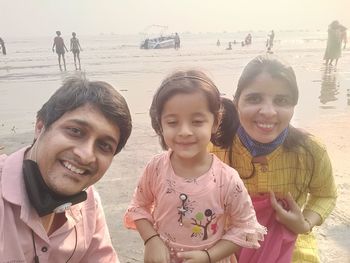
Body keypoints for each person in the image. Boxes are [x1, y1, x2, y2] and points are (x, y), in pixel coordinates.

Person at [124, 70, 266, 263]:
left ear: (215, 123)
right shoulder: (156, 168)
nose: (184, 131)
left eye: (197, 122)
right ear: (161, 124)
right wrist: (151, 240)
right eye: (173, 122)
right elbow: (139, 206)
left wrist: (208, 256)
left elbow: (244, 228)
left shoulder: (227, 179)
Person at [210, 55, 337, 262]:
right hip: (226, 242)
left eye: (281, 100)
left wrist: (304, 223)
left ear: (293, 106)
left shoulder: (311, 151)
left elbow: (326, 194)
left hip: (290, 242)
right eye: (254, 98)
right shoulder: (213, 149)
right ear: (236, 102)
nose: (268, 111)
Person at [0, 76, 132, 262]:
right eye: (75, 131)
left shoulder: (88, 202)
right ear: (40, 127)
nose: (86, 155)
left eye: (104, 146)